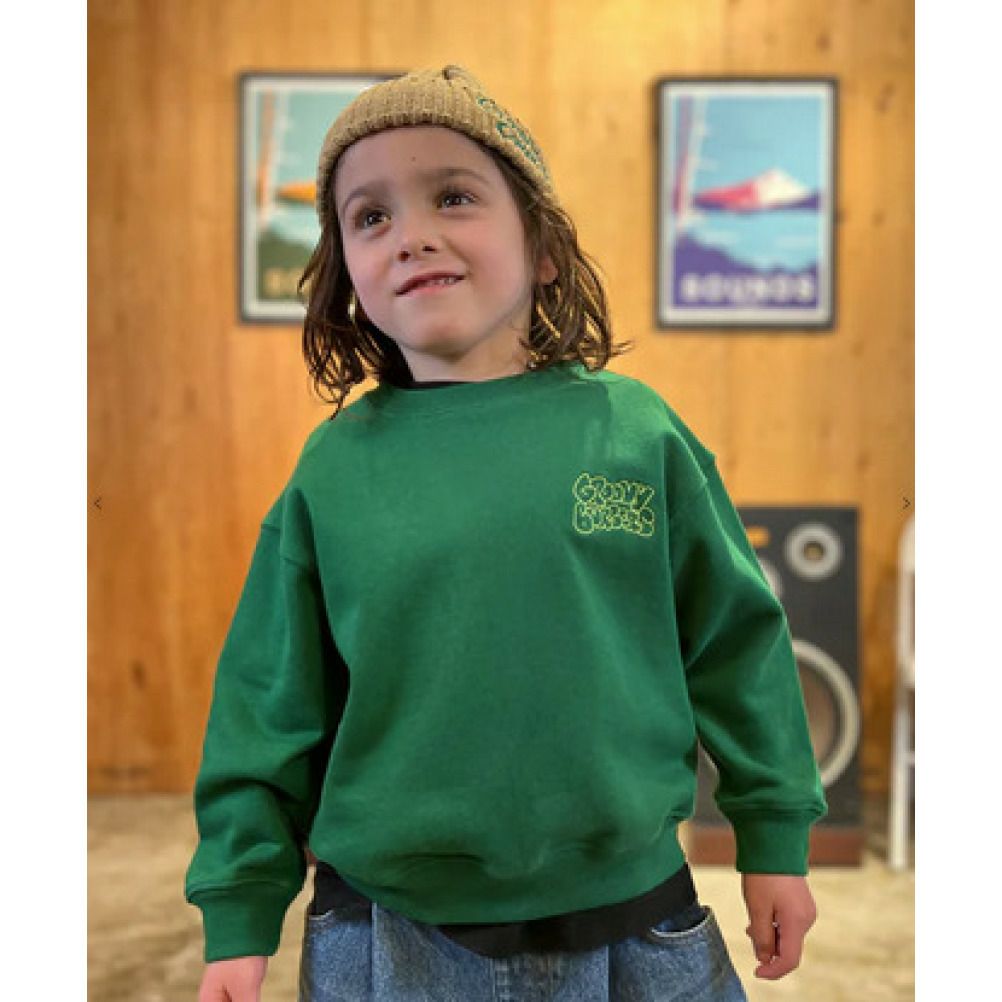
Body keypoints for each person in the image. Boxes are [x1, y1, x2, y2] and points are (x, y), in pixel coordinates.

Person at [185, 64, 827, 1002]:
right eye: (371, 216)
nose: (412, 234)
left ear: (545, 247)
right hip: (388, 932)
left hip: (638, 915)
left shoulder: (638, 434)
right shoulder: (332, 471)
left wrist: (775, 836)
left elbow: (736, 645)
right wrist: (239, 913)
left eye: (453, 196)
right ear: (345, 275)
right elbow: (264, 709)